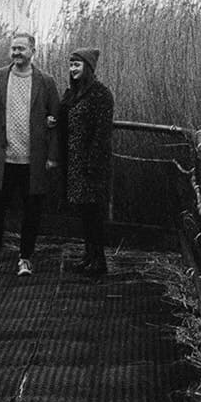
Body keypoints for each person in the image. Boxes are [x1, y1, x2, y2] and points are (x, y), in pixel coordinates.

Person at [0, 31, 62, 277]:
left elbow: (56, 117)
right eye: (13, 48)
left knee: (31, 210)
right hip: (2, 158)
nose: (16, 52)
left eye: (21, 48)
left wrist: (52, 155)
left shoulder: (46, 81)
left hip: (32, 159)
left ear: (33, 51)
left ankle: (25, 258)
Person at [58, 47, 115, 276]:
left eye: (77, 65)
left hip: (92, 165)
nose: (72, 69)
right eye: (71, 65)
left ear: (88, 67)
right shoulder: (72, 93)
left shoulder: (101, 94)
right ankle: (88, 255)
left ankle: (99, 260)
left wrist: (92, 164)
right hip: (74, 162)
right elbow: (63, 116)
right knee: (84, 213)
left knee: (94, 214)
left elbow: (102, 133)